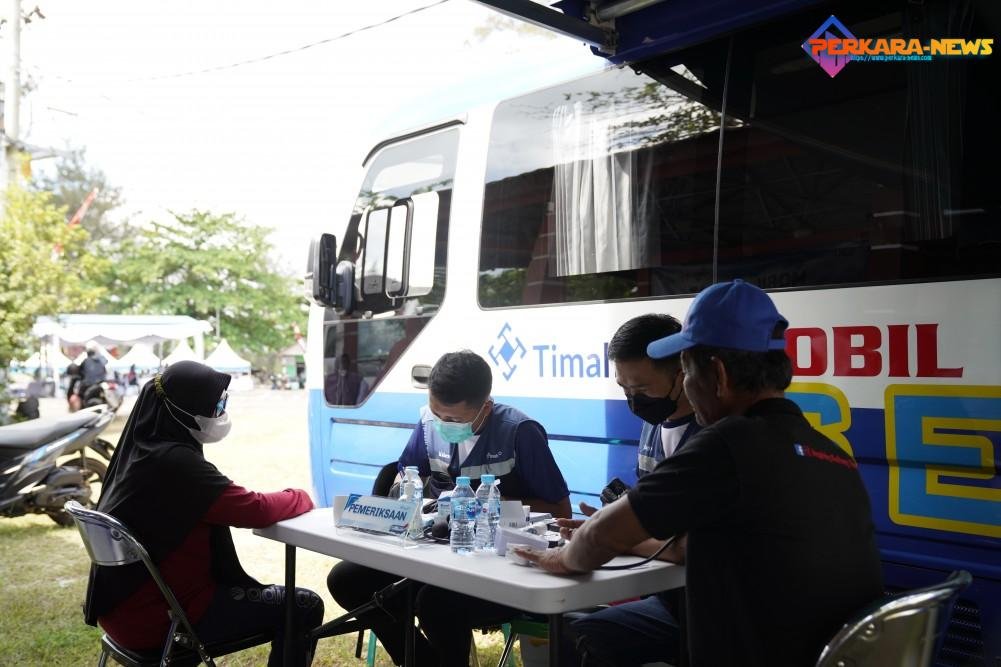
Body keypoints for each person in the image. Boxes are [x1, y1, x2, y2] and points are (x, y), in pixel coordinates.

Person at [519, 279, 884, 666]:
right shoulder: (833, 453)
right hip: (823, 652)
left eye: (688, 374)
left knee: (578, 630)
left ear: (719, 376)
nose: (689, 390)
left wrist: (556, 559)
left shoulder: (728, 444)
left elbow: (603, 534)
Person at [327, 350, 571, 666]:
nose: (443, 424)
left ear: (485, 406)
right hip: (436, 554)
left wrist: (486, 503)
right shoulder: (428, 425)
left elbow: (559, 509)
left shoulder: (519, 432)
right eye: (436, 413)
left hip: (497, 567)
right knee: (346, 580)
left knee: (435, 602)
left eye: (454, 419)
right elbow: (404, 479)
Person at [83, 360, 324, 666]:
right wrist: (300, 495)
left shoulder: (139, 451)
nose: (220, 411)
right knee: (304, 606)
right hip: (163, 620)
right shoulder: (176, 464)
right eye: (216, 403)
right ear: (186, 407)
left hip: (120, 612)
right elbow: (257, 510)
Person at [566, 313, 701, 667]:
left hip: (707, 609)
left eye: (641, 389)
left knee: (591, 633)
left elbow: (685, 547)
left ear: (682, 373)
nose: (633, 400)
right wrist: (608, 523)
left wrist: (613, 535)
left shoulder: (709, 436)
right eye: (624, 389)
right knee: (575, 630)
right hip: (669, 598)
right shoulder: (655, 426)